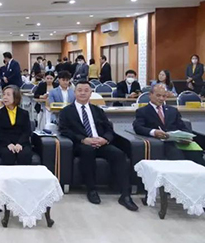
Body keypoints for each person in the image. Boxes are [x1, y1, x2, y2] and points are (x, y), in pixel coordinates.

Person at [58, 80, 138, 211]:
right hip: (82, 144)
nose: (83, 93)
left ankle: (125, 194)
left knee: (118, 154)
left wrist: (105, 139)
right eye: (80, 90)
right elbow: (64, 130)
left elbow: (109, 129)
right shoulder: (66, 111)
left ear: (91, 93)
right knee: (87, 151)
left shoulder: (98, 110)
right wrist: (83, 139)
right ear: (74, 92)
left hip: (101, 143)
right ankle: (91, 190)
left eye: (86, 90)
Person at [133, 84, 205, 166]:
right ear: (150, 95)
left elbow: (183, 127)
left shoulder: (172, 110)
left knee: (197, 156)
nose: (161, 98)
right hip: (162, 143)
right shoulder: (142, 111)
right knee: (178, 157)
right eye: (158, 95)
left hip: (179, 142)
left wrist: (186, 137)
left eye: (164, 96)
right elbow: (138, 127)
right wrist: (154, 132)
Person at [0, 85, 33, 165]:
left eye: (8, 95)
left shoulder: (24, 113)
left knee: (24, 154)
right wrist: (8, 144)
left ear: (16, 97)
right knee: (8, 154)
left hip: (22, 142)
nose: (5, 97)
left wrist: (19, 143)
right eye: (4, 94)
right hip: (4, 143)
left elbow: (27, 131)